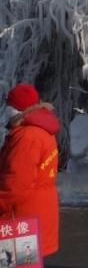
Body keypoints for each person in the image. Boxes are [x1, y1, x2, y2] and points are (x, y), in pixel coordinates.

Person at [0, 84, 60, 257]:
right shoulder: (42, 130)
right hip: (37, 210)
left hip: (20, 215)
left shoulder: (27, 137)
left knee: (18, 264)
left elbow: (16, 184)